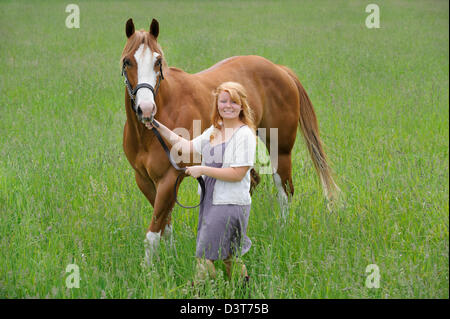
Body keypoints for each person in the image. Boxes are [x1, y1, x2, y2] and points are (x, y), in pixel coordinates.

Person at [145, 81, 257, 285]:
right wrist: (157, 125)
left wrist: (202, 169)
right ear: (217, 105)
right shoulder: (215, 130)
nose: (228, 106)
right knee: (230, 257)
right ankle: (244, 291)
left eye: (234, 101)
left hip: (230, 204)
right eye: (223, 101)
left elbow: (238, 174)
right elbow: (186, 146)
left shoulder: (245, 135)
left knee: (204, 257)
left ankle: (199, 291)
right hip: (212, 201)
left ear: (242, 106)